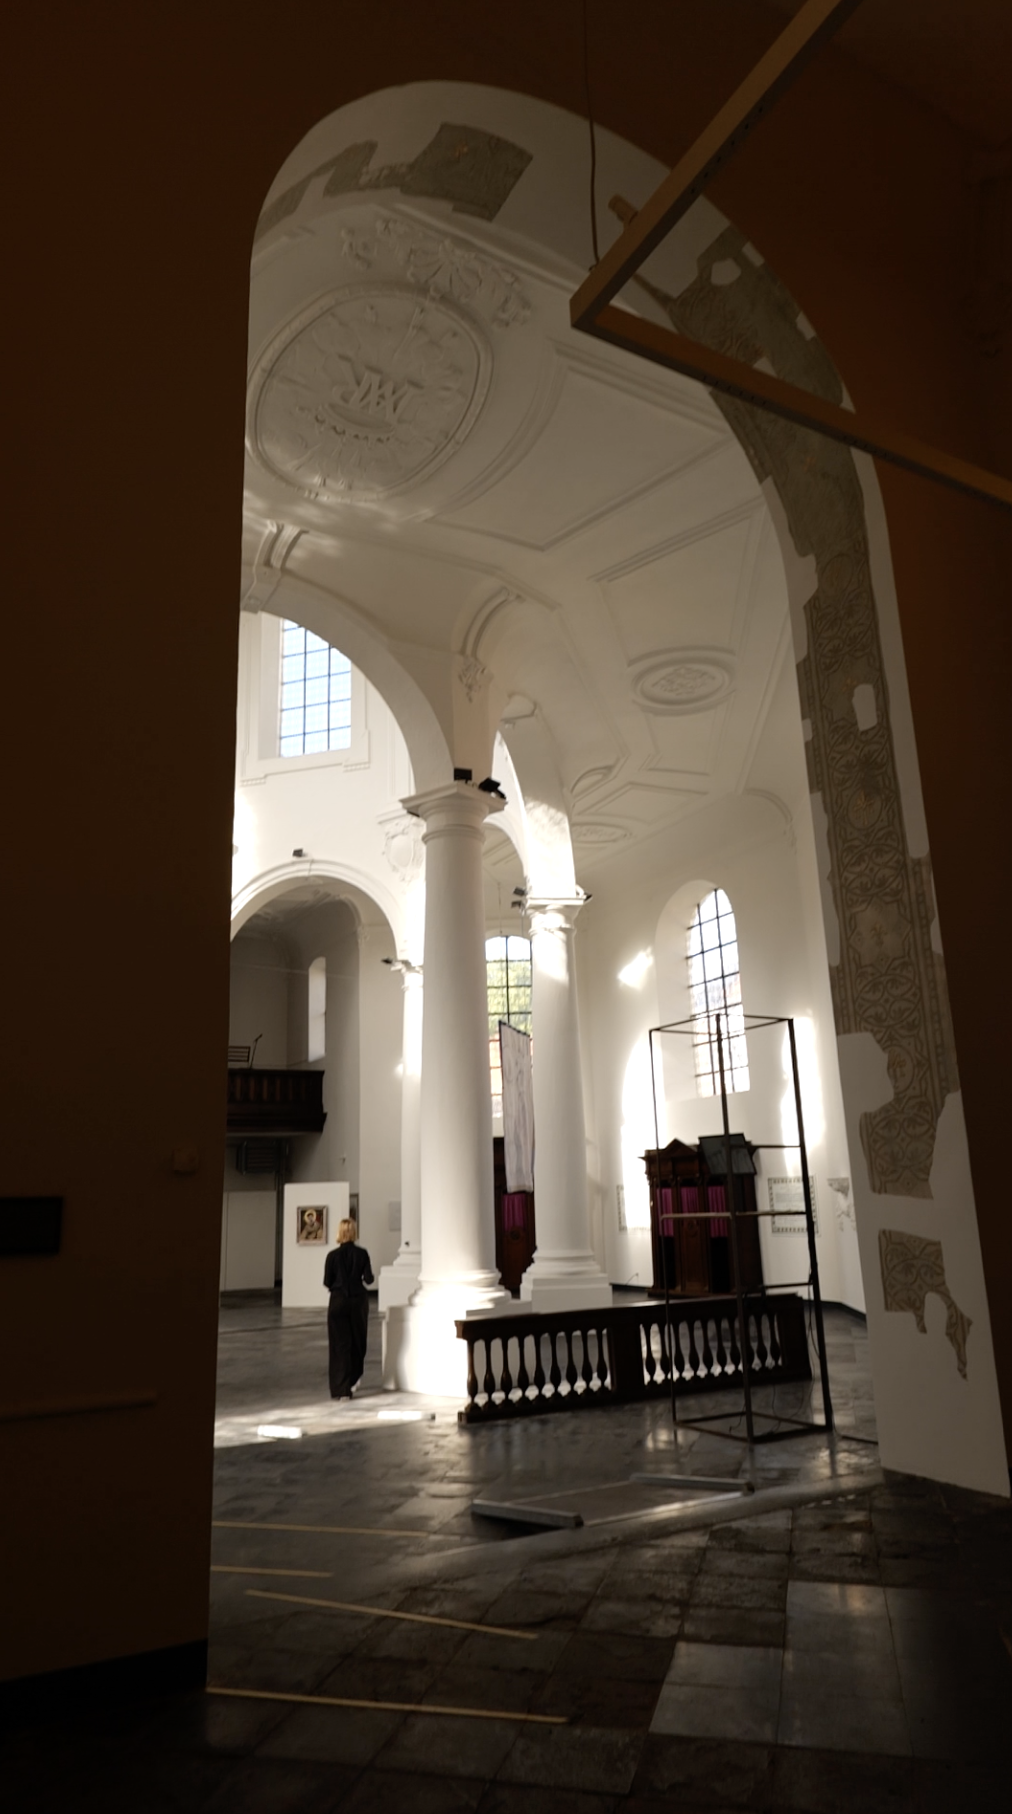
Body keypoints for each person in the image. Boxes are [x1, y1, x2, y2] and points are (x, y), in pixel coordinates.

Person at [323, 1217, 374, 1400]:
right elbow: (369, 1279)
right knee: (358, 1342)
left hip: (338, 1301)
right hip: (358, 1301)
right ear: (354, 1232)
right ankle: (353, 1379)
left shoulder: (332, 1256)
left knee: (339, 1345)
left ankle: (340, 1389)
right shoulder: (362, 1253)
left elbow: (327, 1281)